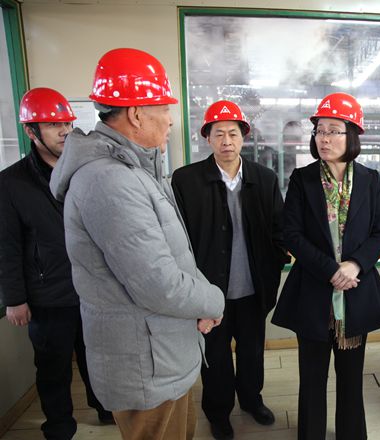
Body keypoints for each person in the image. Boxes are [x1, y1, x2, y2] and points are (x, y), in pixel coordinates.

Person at [49, 48, 225, 440]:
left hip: (161, 352)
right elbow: (157, 283)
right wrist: (214, 300)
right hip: (146, 366)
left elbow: (174, 256)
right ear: (136, 114)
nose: (170, 118)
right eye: (164, 108)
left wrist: (200, 301)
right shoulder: (109, 180)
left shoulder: (135, 170)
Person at [271, 92, 380, 440]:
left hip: (356, 292)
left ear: (352, 135)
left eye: (334, 131)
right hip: (313, 292)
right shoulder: (303, 179)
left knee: (351, 380)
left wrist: (355, 265)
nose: (324, 138)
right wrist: (332, 270)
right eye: (320, 131)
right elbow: (291, 234)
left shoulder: (370, 180)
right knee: (312, 379)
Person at [171, 100, 289, 440]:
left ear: (243, 138)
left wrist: (275, 265)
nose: (226, 141)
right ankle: (218, 412)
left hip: (254, 288)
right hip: (210, 292)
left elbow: (279, 229)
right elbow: (179, 240)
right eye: (219, 133)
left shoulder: (264, 178)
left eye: (233, 133)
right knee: (216, 356)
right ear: (207, 138)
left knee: (252, 351)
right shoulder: (186, 180)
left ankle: (252, 400)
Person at [0, 87, 113, 439]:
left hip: (94, 289)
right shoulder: (11, 183)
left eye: (66, 123)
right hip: (48, 295)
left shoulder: (86, 170)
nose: (65, 131)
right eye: (53, 125)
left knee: (98, 359)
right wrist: (14, 299)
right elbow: (7, 246)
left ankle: (106, 409)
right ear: (31, 131)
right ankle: (60, 426)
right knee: (53, 368)